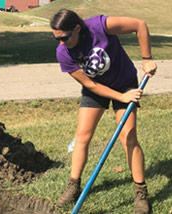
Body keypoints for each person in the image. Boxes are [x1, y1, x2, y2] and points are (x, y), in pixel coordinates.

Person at [50, 9, 157, 213]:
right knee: (82, 136)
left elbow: (139, 24)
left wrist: (146, 58)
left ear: (77, 28)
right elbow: (90, 85)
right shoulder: (62, 52)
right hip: (97, 89)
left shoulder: (99, 26)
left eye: (64, 37)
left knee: (128, 136)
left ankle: (140, 193)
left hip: (125, 83)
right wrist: (119, 97)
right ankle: (73, 186)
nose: (61, 43)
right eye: (56, 38)